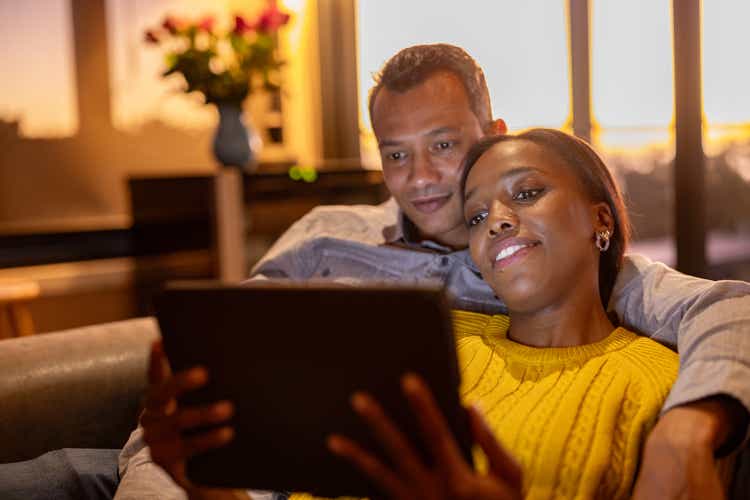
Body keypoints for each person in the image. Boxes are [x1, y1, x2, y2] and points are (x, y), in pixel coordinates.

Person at [114, 44, 750, 500]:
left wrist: (688, 434)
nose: (418, 179)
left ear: (490, 134)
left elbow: (728, 307)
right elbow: (226, 353)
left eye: (443, 146)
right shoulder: (327, 233)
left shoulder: (567, 270)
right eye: (396, 154)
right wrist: (173, 468)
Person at [325, 128, 679, 499]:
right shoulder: (432, 337)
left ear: (601, 219)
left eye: (527, 193)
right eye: (476, 217)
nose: (495, 221)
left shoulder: (660, 384)